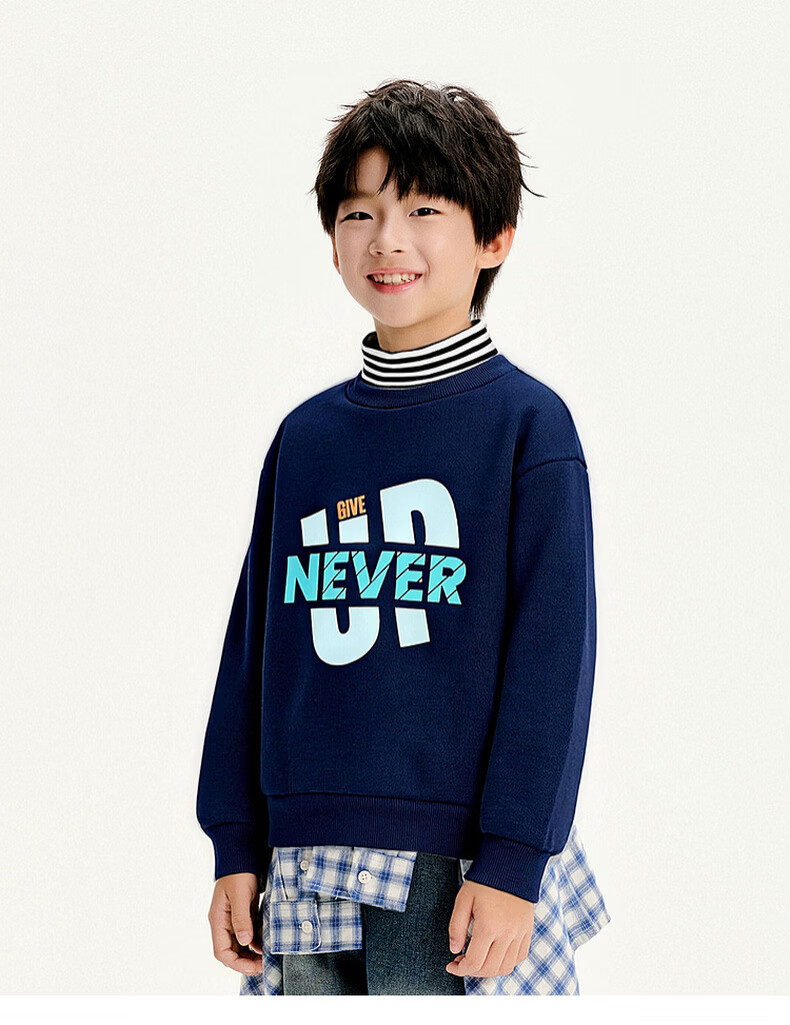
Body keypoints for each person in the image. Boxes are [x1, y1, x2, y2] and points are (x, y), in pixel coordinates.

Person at [196, 78, 611, 997]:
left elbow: (553, 663)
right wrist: (235, 839)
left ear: (494, 238)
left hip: (451, 862)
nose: (386, 238)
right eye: (360, 212)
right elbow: (254, 652)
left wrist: (514, 858)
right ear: (333, 240)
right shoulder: (306, 438)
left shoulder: (527, 428)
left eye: (423, 209)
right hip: (301, 854)